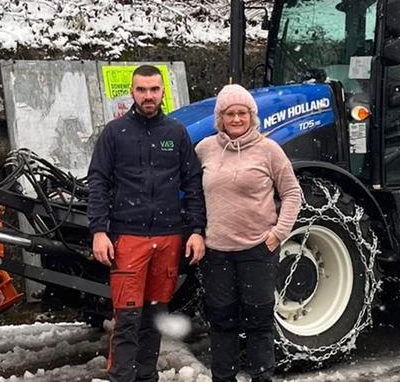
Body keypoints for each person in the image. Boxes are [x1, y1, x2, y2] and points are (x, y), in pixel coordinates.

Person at [87, 64, 206, 382]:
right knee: (126, 319)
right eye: (142, 89)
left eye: (154, 89)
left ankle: (146, 377)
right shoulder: (115, 133)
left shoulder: (176, 133)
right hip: (129, 238)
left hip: (169, 239)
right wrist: (99, 230)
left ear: (163, 91)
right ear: (132, 92)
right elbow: (98, 181)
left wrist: (196, 231)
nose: (148, 95)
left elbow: (193, 182)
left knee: (154, 317)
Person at [196, 84, 302, 382]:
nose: (237, 119)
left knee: (258, 322)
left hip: (258, 249)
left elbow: (292, 193)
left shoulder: (269, 150)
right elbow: (192, 192)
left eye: (242, 112)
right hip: (217, 251)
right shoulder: (204, 148)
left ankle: (262, 377)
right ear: (220, 117)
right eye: (230, 113)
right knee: (221, 320)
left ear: (251, 115)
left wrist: (278, 233)